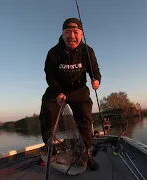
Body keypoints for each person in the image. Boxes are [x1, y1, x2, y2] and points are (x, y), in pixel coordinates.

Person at [39, 17, 101, 170]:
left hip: (79, 90)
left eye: (75, 32)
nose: (71, 36)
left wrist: (96, 80)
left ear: (82, 34)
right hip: (57, 89)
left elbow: (95, 70)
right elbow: (50, 77)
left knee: (85, 119)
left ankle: (88, 155)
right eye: (67, 32)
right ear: (62, 33)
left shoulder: (88, 51)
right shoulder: (53, 53)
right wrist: (58, 92)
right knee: (46, 112)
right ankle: (50, 149)